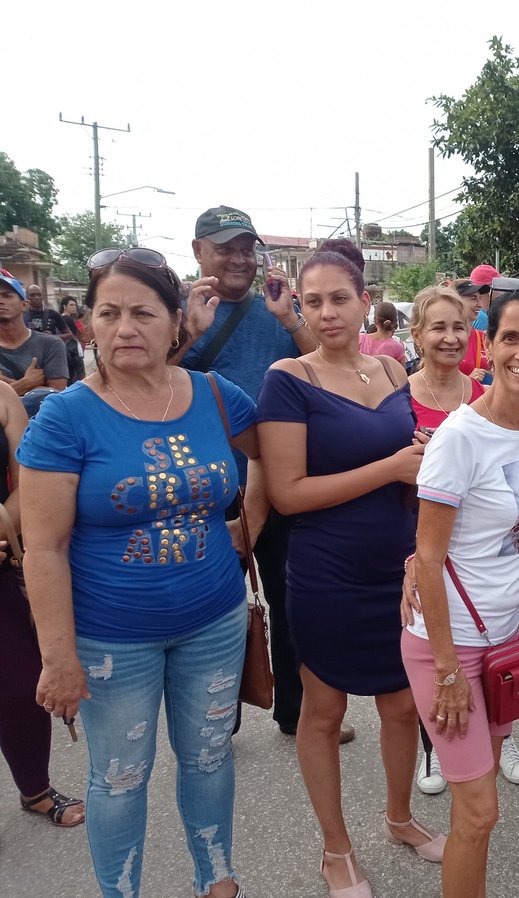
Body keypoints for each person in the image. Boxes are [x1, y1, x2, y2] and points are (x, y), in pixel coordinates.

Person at [20, 247, 262, 898]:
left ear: (175, 323)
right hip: (109, 640)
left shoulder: (215, 396)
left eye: (143, 313)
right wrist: (57, 656)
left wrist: (249, 530)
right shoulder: (65, 417)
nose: (126, 327)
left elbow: (274, 457)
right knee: (121, 776)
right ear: (89, 325)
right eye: (109, 312)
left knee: (208, 761)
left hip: (214, 621)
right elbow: (41, 547)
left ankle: (217, 880)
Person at [257, 243, 444, 898]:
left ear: (367, 301)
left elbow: (410, 459)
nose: (327, 312)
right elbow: (288, 493)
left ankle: (399, 818)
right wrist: (392, 467)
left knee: (399, 703)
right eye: (313, 302)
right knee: (324, 708)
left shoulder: (393, 373)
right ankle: (336, 850)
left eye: (340, 298)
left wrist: (418, 459)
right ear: (300, 309)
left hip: (396, 567)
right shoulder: (289, 377)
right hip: (326, 569)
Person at [402, 285, 519, 898]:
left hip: (501, 644)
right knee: (479, 811)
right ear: (484, 347)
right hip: (451, 651)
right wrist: (445, 670)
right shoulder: (460, 437)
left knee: (480, 808)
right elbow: (431, 556)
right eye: (509, 338)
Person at [176, 206, 346, 742]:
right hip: (203, 489)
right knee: (212, 606)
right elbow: (146, 380)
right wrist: (187, 332)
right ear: (199, 250)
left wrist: (290, 318)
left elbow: (327, 368)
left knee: (291, 597)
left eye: (246, 248)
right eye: (225, 247)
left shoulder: (275, 310)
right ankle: (218, 716)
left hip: (277, 480)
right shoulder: (176, 314)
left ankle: (296, 712)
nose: (238, 258)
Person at [405, 284, 519, 795]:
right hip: (442, 589)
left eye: (459, 326)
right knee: (477, 807)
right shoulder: (409, 403)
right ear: (416, 335)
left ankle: (480, 738)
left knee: (481, 805)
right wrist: (414, 562)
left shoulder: (504, 408)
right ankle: (434, 749)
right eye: (438, 327)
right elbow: (428, 531)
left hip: (497, 616)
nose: (451, 337)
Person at [0, 379, 86, 830]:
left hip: (1, 554)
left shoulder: (3, 395)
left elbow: (26, 479)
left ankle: (34, 788)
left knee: (19, 688)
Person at [0, 270, 68, 416]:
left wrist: (5, 383)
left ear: (24, 305)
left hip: (40, 429)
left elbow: (56, 399)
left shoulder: (51, 344)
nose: (0, 301)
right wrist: (27, 383)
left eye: (6, 295)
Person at [60, 296, 88, 383]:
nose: (74, 307)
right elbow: (76, 334)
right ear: (64, 306)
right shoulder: (67, 319)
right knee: (78, 374)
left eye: (75, 305)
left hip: (65, 349)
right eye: (71, 305)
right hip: (72, 350)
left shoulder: (59, 318)